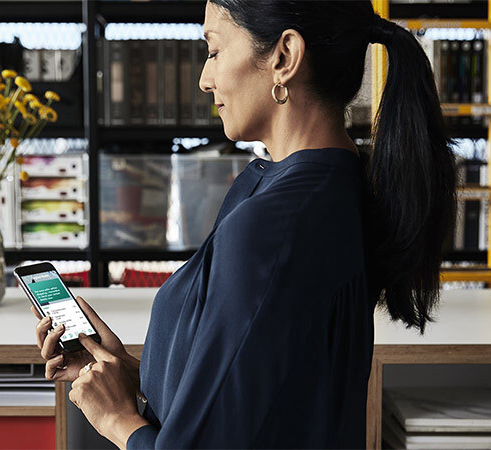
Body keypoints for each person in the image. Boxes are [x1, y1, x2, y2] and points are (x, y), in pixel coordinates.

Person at [32, 0, 456, 448]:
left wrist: (116, 418)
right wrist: (129, 373)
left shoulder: (274, 227)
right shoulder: (325, 188)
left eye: (214, 51)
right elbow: (263, 387)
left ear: (283, 58)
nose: (204, 78)